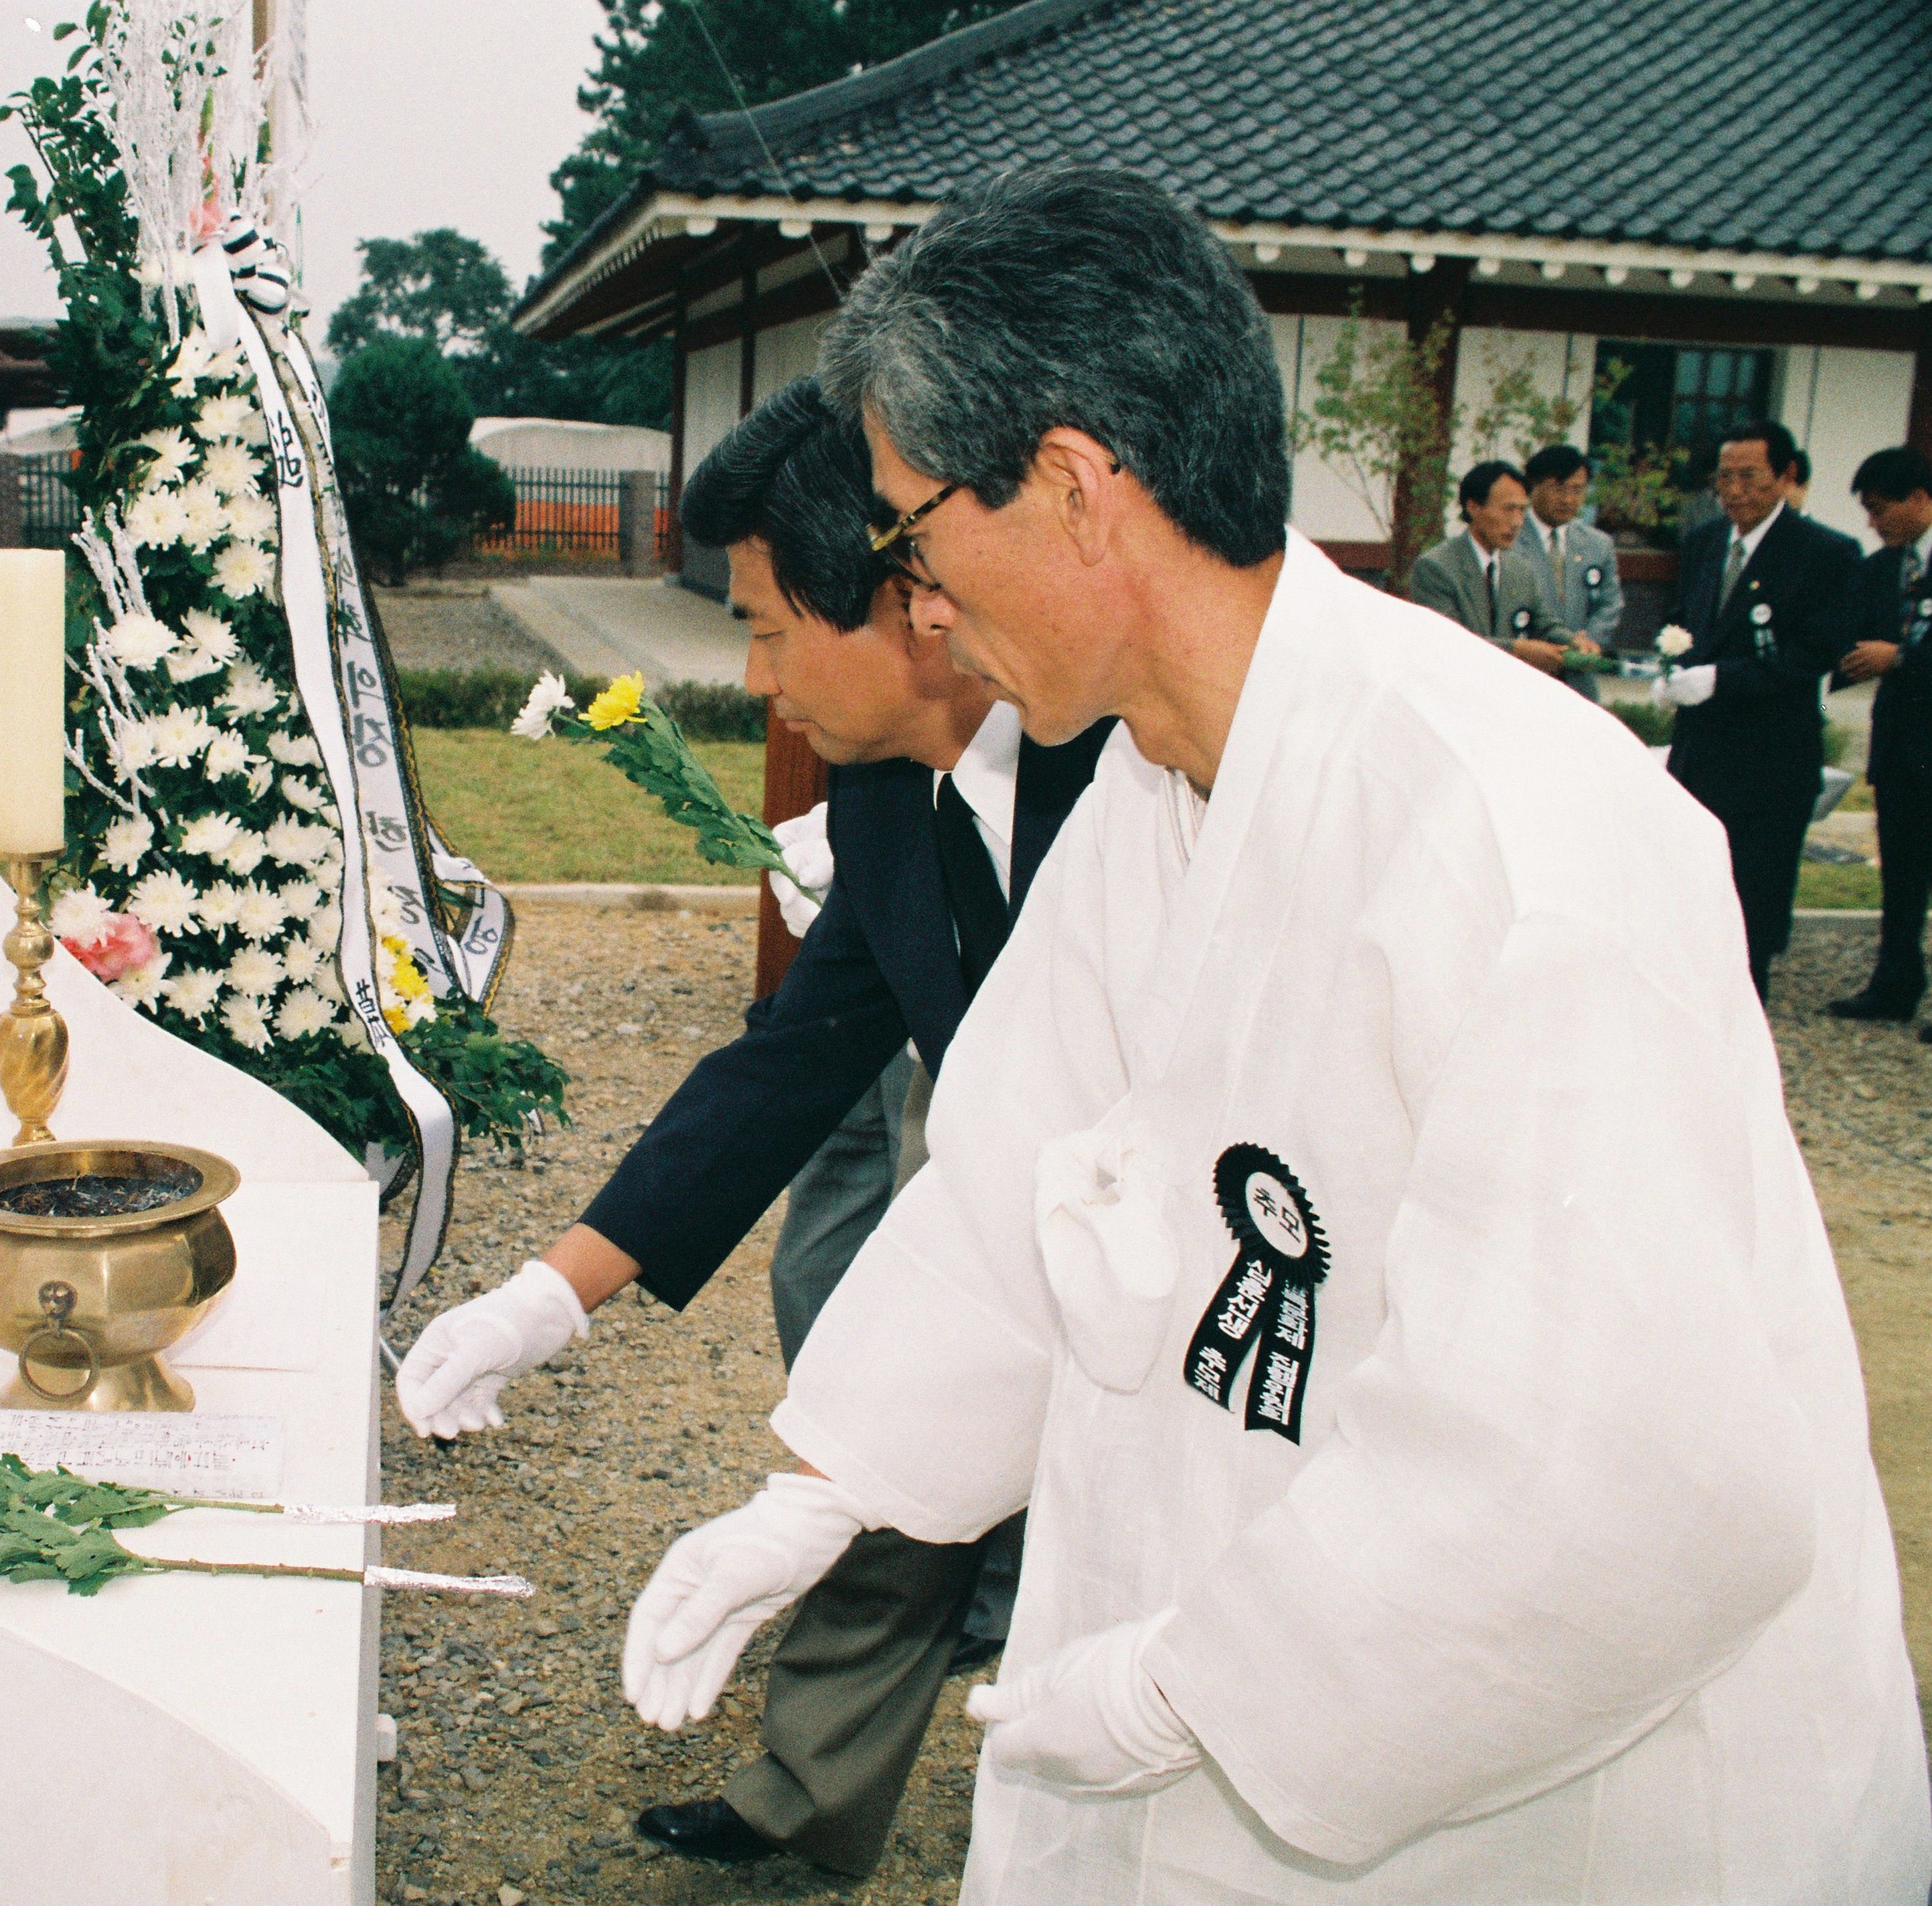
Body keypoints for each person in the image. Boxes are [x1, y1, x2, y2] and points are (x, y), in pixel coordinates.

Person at [619, 163, 1929, 1902]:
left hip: (1528, 1795)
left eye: (909, 539)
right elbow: (1023, 1185)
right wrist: (835, 1483)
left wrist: (1200, 1685)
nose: (915, 607)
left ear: (1074, 487)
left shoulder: (1518, 839)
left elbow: (1618, 1474)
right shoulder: (1150, 786)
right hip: (1227, 1641)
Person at [396, 376, 1107, 1880]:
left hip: (1158, 1276)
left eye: (772, 628)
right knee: (872, 1462)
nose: (757, 674)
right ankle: (805, 1808)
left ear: (912, 601)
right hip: (993, 1242)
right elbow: (790, 1062)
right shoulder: (886, 795)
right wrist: (547, 1296)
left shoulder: (1122, 777)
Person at [1654, 420, 1864, 995]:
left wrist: (1722, 680)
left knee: (1751, 910)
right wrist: (1669, 671)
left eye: (1749, 477)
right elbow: (1684, 621)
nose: (1734, 490)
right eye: (1724, 478)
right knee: (1690, 901)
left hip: (1768, 763)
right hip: (1700, 756)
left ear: (1785, 475)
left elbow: (1813, 653)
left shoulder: (1824, 552)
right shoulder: (1704, 542)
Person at [1826, 445, 1932, 1026]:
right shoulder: (1883, 568)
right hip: (1901, 747)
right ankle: (1895, 984)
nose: (1872, 522)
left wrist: (1904, 657)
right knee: (1903, 872)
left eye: (1879, 508)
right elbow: (1846, 633)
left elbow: (1897, 652)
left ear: (1918, 499)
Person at [1408, 461, 1593, 684]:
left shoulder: (1519, 570)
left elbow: (1543, 623)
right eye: (1508, 509)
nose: (1516, 522)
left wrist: (1573, 641)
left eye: (1522, 510)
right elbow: (1450, 642)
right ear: (1473, 507)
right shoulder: (1436, 568)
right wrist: (1519, 650)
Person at [1515, 442, 1625, 698]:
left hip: (1579, 679)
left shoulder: (1598, 544)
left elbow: (1610, 603)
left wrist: (1588, 644)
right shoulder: (1510, 540)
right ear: (1533, 487)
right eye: (1558, 489)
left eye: (1577, 490)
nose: (1568, 500)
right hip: (1525, 671)